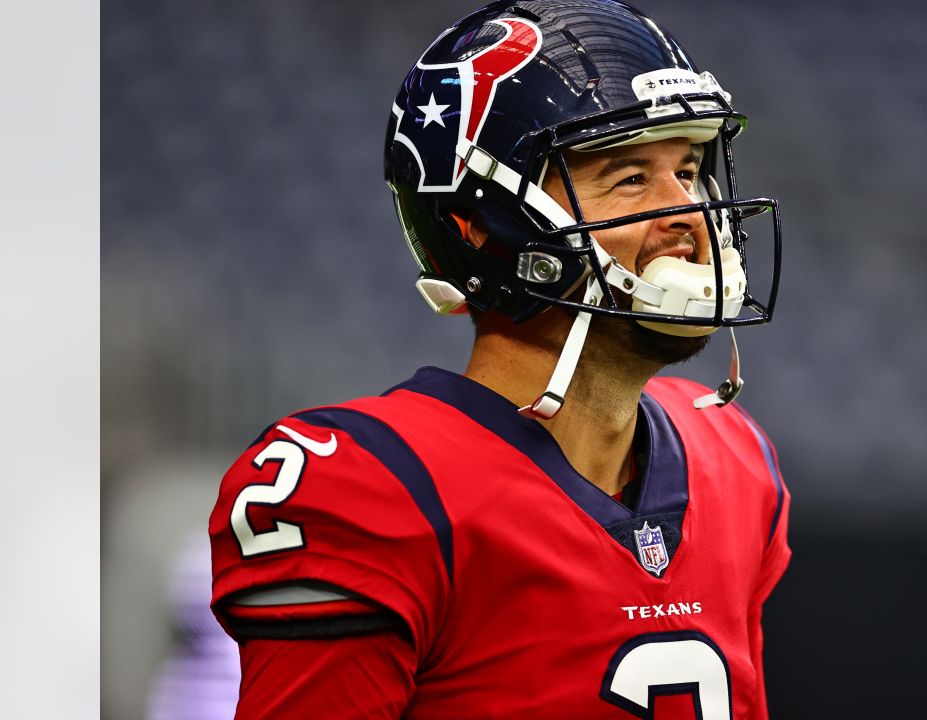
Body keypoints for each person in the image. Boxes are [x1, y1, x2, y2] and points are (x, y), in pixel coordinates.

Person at [208, 1, 790, 717]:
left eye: (690, 169)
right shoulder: (371, 489)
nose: (689, 212)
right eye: (631, 177)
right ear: (484, 228)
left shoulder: (735, 459)